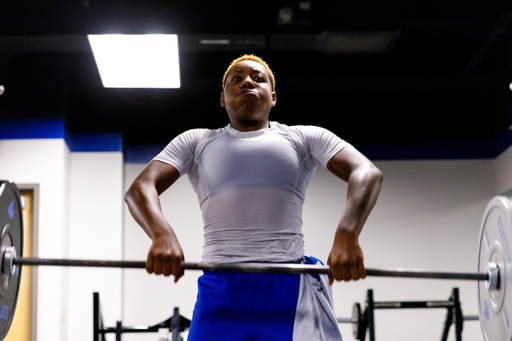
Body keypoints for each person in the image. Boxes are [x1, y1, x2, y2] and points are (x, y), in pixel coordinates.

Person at [125, 54, 383, 341]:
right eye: (236, 79)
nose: (247, 81)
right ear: (222, 98)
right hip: (221, 287)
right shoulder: (197, 141)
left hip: (289, 287)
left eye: (258, 78)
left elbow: (366, 172)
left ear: (272, 97)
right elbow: (141, 188)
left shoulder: (304, 138)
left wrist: (348, 233)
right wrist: (161, 234)